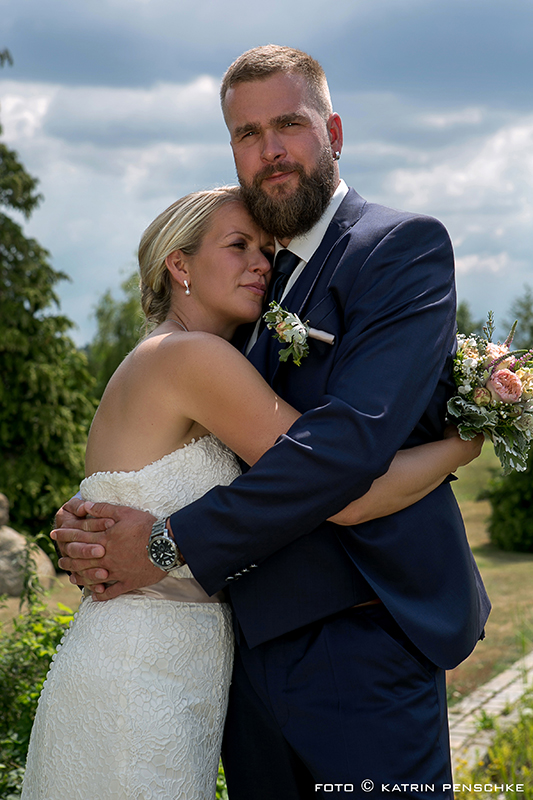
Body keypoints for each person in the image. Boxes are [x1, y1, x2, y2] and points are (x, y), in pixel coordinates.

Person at [53, 46, 490, 799]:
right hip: (239, 660)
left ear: (335, 132)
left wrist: (164, 540)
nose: (270, 150)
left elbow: (344, 451)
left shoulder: (396, 248)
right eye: (246, 134)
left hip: (363, 647)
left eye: (288, 124)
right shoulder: (240, 302)